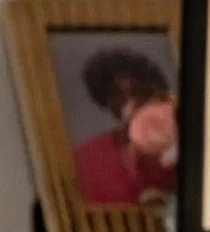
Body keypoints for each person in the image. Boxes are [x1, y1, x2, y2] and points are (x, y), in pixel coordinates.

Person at [71, 46, 178, 205]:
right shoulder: (86, 157)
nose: (131, 104)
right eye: (117, 95)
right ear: (105, 101)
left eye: (139, 92)